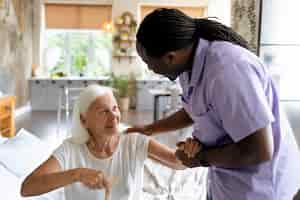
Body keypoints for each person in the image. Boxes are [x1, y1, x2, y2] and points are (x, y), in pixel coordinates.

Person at [126, 8, 300, 200]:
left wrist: (200, 158)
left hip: (259, 188)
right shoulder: (187, 66)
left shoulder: (228, 71)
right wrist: (150, 129)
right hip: (226, 183)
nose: (150, 69)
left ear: (170, 56)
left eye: (148, 62)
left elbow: (259, 149)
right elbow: (194, 109)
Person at [21, 85, 185, 200]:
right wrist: (77, 174)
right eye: (103, 111)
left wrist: (190, 151)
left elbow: (177, 162)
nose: (113, 116)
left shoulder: (133, 140)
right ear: (84, 120)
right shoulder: (70, 149)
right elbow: (27, 188)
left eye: (115, 108)